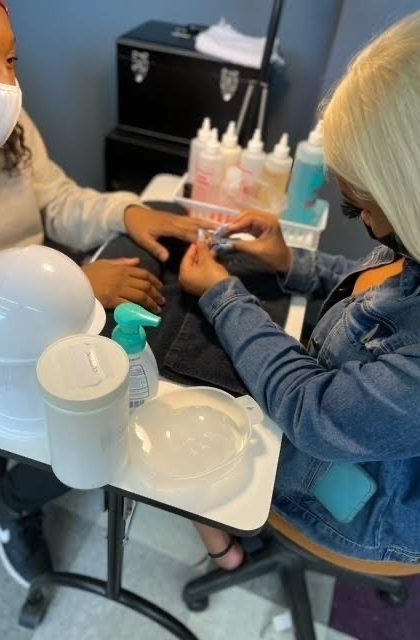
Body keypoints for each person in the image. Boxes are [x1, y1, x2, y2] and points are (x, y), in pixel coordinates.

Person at [0, 0, 211, 587]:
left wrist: (128, 210)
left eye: (11, 61)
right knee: (94, 411)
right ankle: (12, 503)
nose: (3, 84)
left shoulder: (4, 121)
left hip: (50, 287)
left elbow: (59, 201)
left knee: (157, 222)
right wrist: (64, 294)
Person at [179, 10, 420, 571]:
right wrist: (293, 261)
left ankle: (226, 553)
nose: (361, 221)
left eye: (359, 208)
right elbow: (378, 285)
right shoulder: (411, 252)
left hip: (353, 506)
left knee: (186, 430)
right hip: (352, 445)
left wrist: (222, 295)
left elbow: (311, 410)